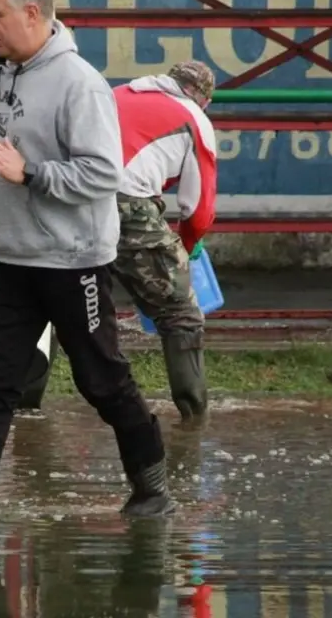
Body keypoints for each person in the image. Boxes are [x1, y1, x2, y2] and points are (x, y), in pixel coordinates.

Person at [0, 0, 171, 517]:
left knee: (102, 382)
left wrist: (32, 174)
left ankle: (153, 488)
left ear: (32, 14)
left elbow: (103, 174)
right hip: (9, 261)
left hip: (71, 265)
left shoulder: (80, 85)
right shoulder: (3, 73)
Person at [111, 61, 219, 422]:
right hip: (128, 207)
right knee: (181, 313)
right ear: (203, 99)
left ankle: (25, 406)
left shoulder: (117, 93)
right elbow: (197, 208)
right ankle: (194, 417)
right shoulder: (195, 118)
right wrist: (188, 248)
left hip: (68, 200)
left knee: (62, 302)